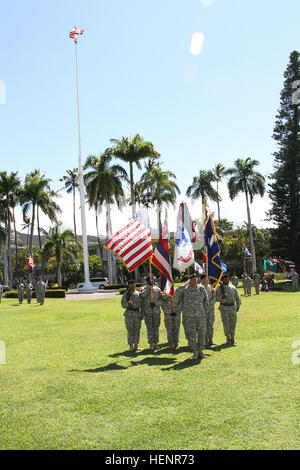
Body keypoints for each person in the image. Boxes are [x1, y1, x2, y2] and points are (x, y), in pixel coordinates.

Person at [180, 273, 209, 360]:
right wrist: (184, 284)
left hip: (200, 316)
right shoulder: (185, 289)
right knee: (192, 335)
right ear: (190, 281)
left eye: (195, 279)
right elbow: (177, 294)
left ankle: (201, 351)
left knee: (201, 334)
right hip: (190, 317)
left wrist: (206, 312)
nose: (195, 280)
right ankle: (195, 352)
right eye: (192, 279)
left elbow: (206, 301)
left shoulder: (201, 289)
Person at [139, 274, 163, 350]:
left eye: (152, 280)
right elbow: (141, 296)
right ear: (147, 281)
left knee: (156, 328)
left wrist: (155, 304)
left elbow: (161, 300)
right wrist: (148, 289)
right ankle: (151, 344)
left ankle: (156, 343)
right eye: (149, 280)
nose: (151, 281)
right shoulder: (143, 289)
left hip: (156, 311)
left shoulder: (157, 289)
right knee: (149, 328)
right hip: (148, 312)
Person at [216, 273, 241, 345]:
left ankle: (232, 337)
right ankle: (228, 337)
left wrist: (238, 305)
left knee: (233, 323)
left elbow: (237, 297)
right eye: (225, 278)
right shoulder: (219, 288)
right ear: (222, 280)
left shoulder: (233, 287)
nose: (227, 279)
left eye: (227, 278)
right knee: (226, 324)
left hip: (232, 307)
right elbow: (216, 298)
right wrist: (221, 297)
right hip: (224, 308)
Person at [121, 279, 142, 352]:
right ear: (129, 285)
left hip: (137, 314)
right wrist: (128, 304)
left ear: (135, 285)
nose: (132, 285)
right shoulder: (126, 295)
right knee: (130, 330)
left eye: (133, 284)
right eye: (130, 284)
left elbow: (142, 305)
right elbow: (123, 305)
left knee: (137, 330)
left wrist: (142, 314)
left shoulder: (139, 294)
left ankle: (136, 345)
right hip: (129, 314)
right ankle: (131, 346)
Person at [200, 274, 217, 347]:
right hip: (203, 310)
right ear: (202, 280)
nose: (206, 280)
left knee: (210, 325)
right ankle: (205, 340)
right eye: (204, 279)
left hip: (211, 310)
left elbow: (215, 297)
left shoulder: (211, 287)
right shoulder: (199, 288)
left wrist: (211, 303)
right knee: (203, 325)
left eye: (207, 279)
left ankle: (210, 339)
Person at [174, 275, 190, 346]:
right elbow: (177, 293)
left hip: (197, 311)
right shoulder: (182, 288)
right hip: (186, 311)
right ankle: (189, 341)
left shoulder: (198, 288)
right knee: (187, 326)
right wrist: (185, 285)